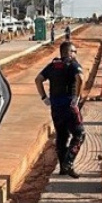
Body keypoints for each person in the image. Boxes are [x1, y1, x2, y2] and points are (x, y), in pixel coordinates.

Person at [35, 40, 84, 178]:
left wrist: (44, 97)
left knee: (62, 137)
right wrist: (77, 97)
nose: (76, 54)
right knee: (80, 134)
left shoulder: (53, 65)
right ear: (68, 52)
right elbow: (80, 77)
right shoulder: (72, 64)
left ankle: (63, 168)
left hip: (56, 108)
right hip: (70, 106)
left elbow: (38, 79)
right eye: (74, 51)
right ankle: (68, 162)